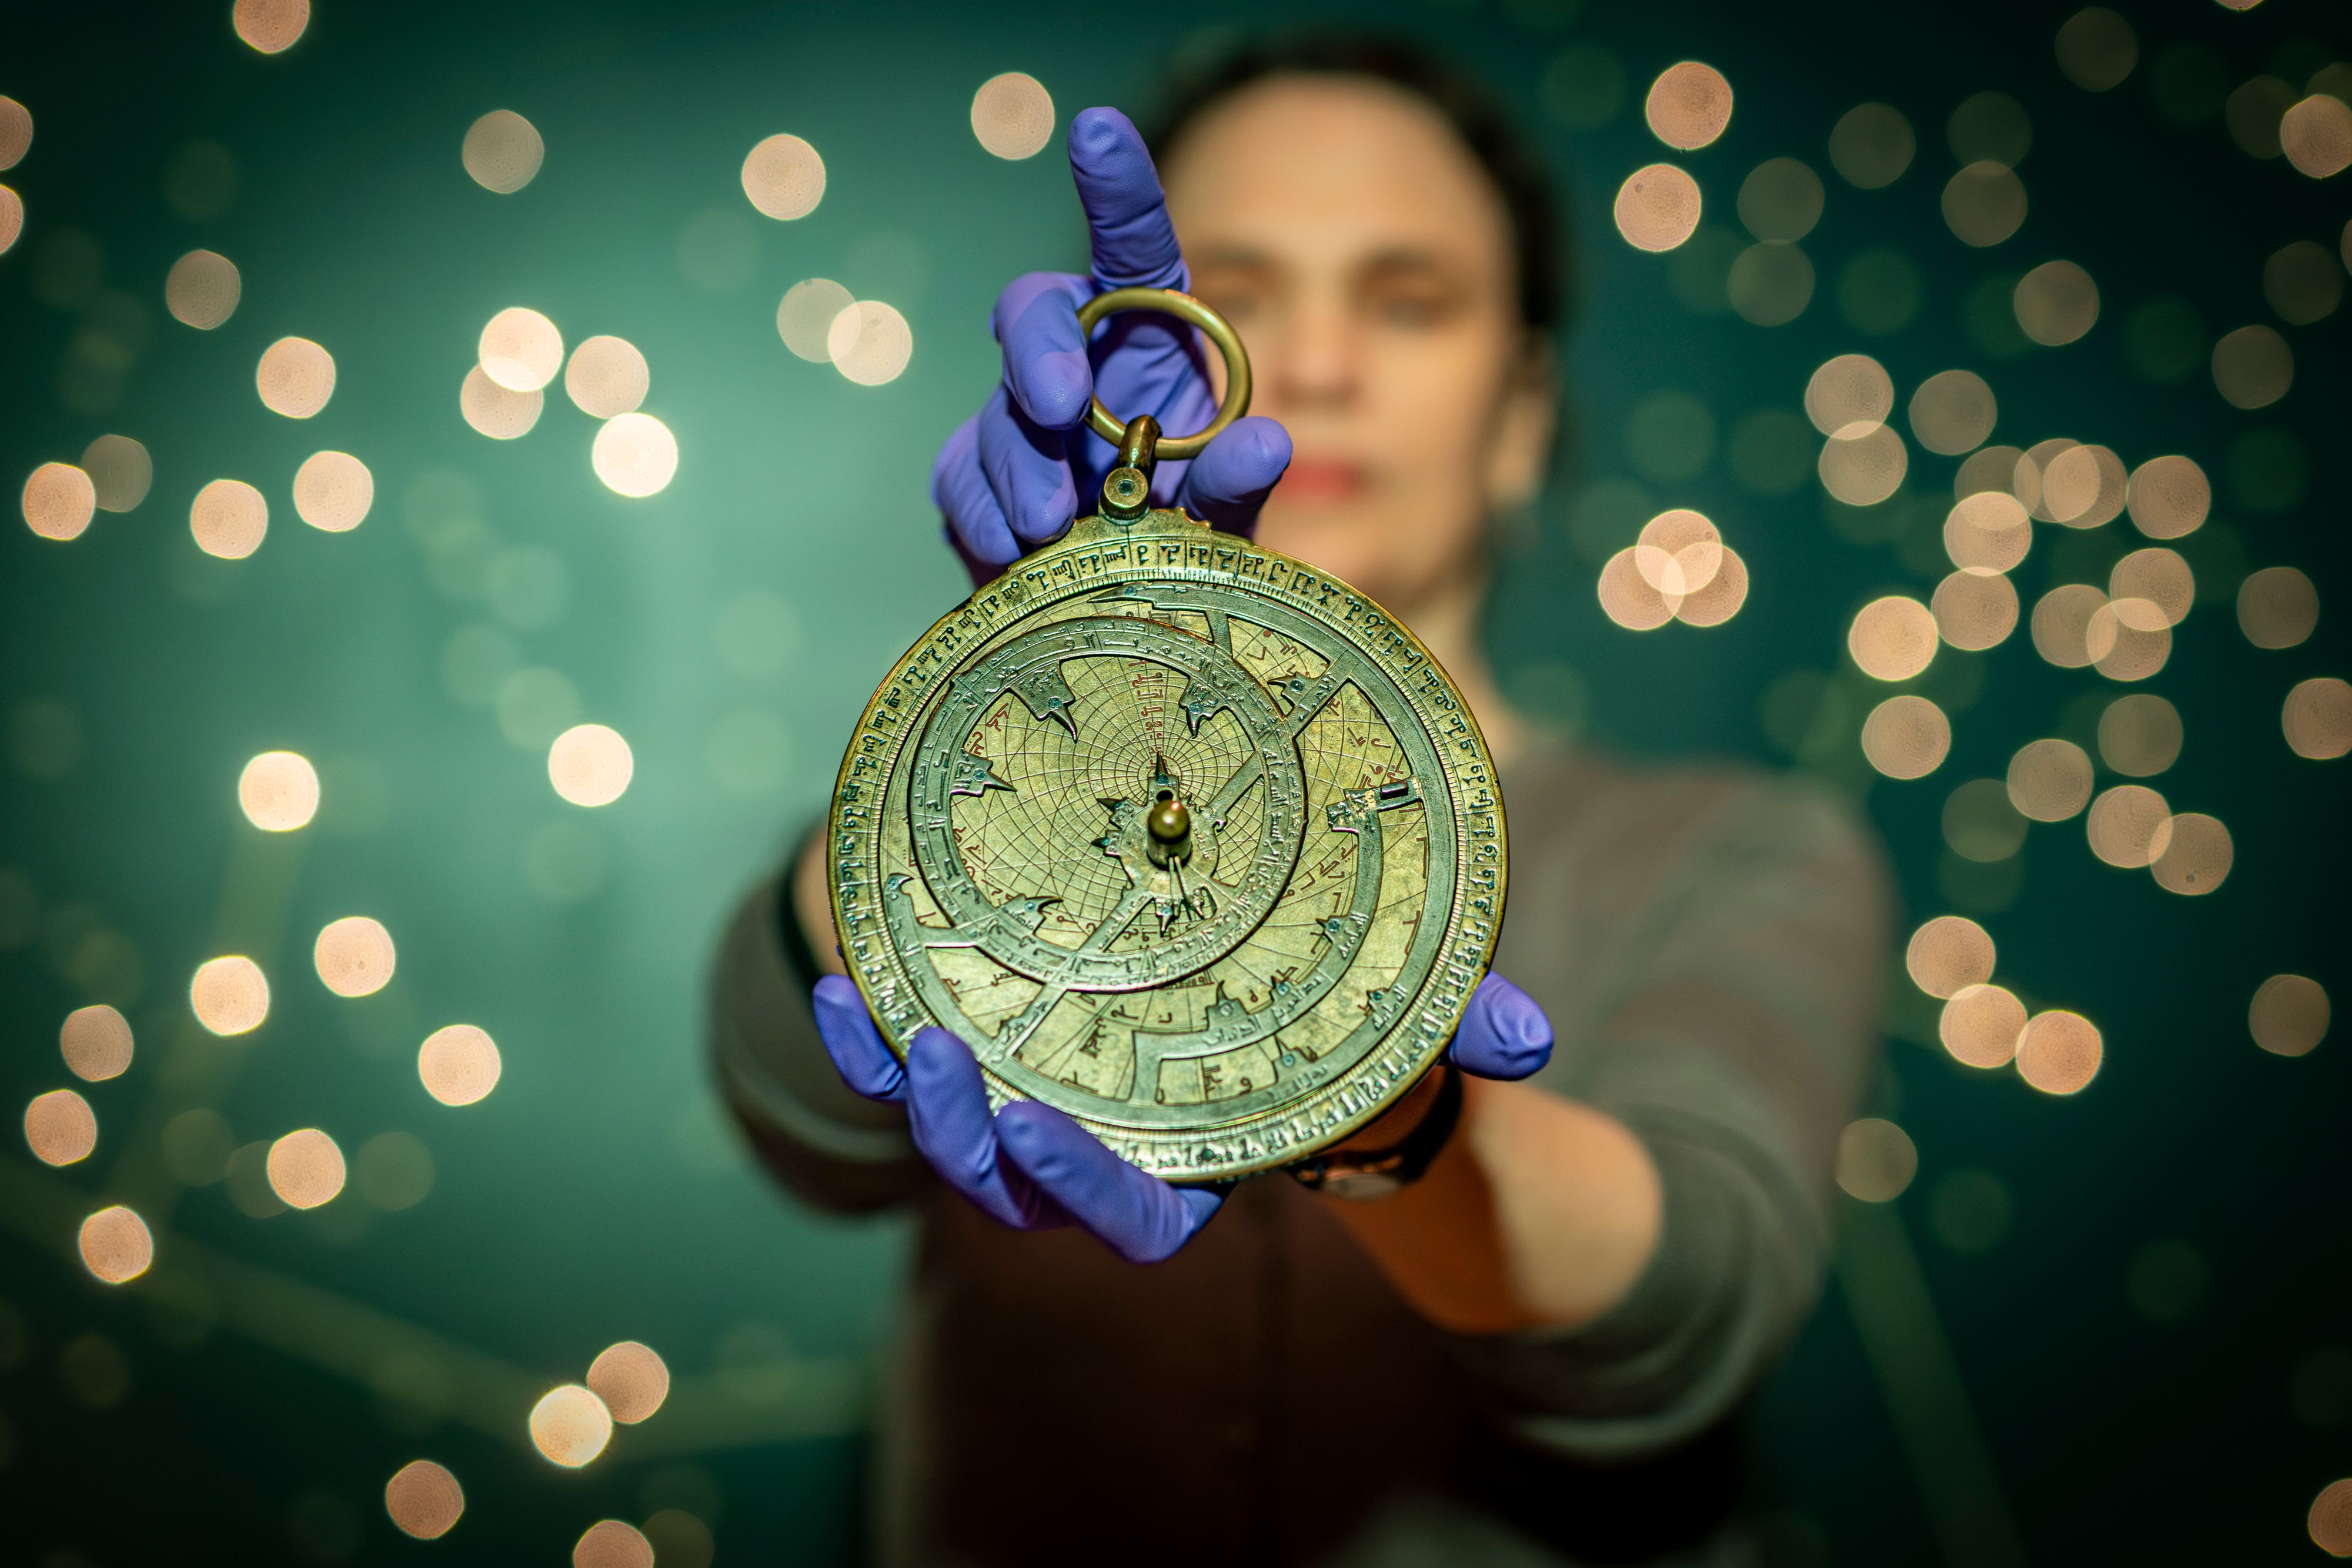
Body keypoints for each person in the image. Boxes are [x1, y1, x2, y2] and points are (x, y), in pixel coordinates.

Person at [711, 36, 1889, 1567]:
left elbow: (1686, 1317)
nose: (1320, 365)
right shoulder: (1002, 768)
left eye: (1409, 301)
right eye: (1241, 298)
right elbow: (797, 1107)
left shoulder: (1742, 850)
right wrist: (1011, 691)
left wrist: (1386, 1108)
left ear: (1524, 412)